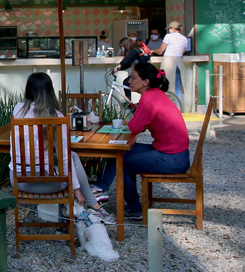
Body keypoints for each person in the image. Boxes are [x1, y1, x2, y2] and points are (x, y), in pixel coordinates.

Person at [10, 72, 114, 224]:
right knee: (68, 162)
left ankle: (89, 208)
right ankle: (90, 208)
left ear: (28, 90)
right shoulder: (57, 117)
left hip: (18, 181)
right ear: (50, 91)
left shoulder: (18, 109)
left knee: (71, 157)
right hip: (48, 184)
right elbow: (64, 159)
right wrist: (77, 190)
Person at [92, 62, 190, 220]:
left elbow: (135, 127)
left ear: (146, 82)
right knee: (120, 152)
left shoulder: (148, 98)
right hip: (175, 154)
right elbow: (139, 126)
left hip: (172, 158)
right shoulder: (156, 94)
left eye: (133, 77)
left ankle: (134, 209)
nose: (129, 81)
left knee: (123, 163)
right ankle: (100, 188)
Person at [152, 21, 189, 101]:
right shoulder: (184, 38)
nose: (169, 30)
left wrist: (152, 51)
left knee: (168, 85)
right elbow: (183, 52)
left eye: (169, 28)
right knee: (178, 85)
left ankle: (168, 104)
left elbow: (161, 51)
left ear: (172, 28)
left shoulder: (168, 36)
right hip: (179, 62)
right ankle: (177, 105)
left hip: (169, 62)